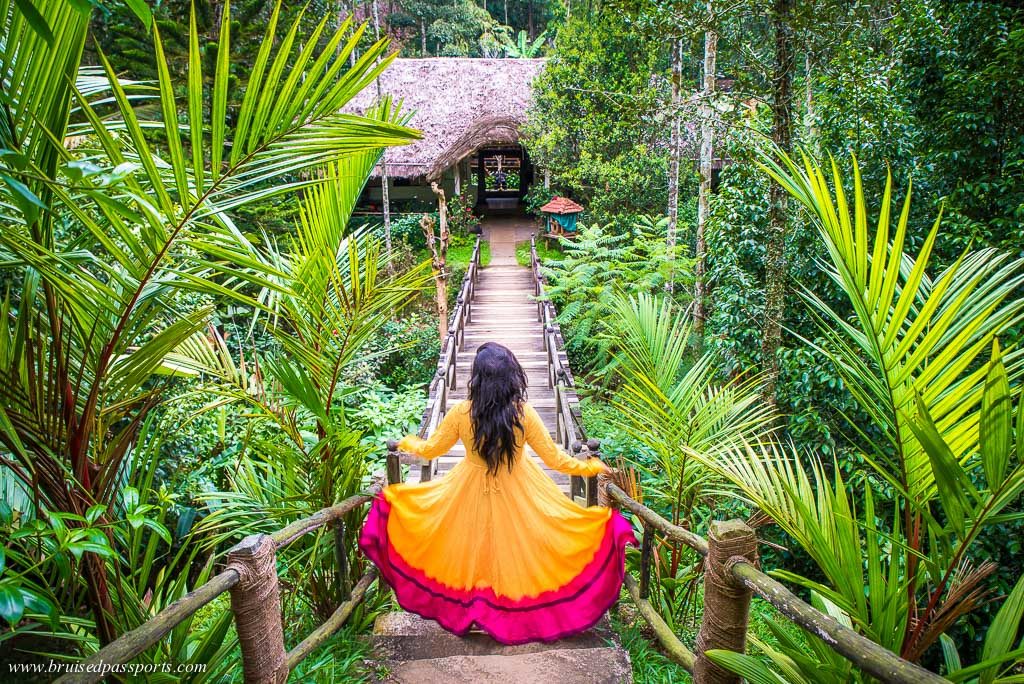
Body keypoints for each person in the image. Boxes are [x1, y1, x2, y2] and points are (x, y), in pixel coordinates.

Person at [359, 342, 636, 645]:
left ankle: (474, 606)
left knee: (470, 545)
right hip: (520, 488)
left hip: (467, 487)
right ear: (511, 376)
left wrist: (407, 443)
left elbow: (431, 450)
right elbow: (556, 460)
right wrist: (591, 466)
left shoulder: (461, 413)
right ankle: (511, 609)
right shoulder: (524, 414)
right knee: (520, 546)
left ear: (476, 378)